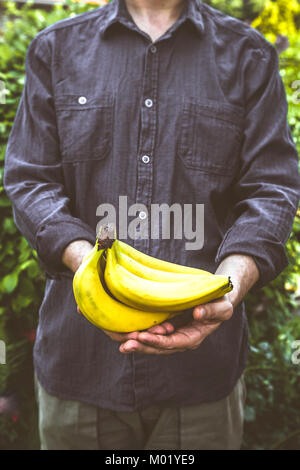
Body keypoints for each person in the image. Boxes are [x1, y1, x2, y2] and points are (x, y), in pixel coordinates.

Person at [3, 0, 300, 450]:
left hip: (203, 379)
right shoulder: (56, 49)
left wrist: (232, 284)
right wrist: (92, 268)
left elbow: (272, 188)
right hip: (80, 366)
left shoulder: (249, 55)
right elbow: (30, 179)